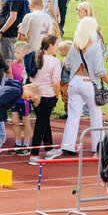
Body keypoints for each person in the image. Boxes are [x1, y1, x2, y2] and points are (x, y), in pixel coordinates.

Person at [49, 17, 108, 158]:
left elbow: (68, 65)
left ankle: (68, 145)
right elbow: (99, 70)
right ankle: (98, 146)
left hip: (74, 82)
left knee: (73, 115)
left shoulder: (75, 45)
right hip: (89, 82)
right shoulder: (95, 46)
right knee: (95, 115)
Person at [0, 78, 40, 170]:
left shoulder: (15, 88)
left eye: (30, 99)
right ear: (29, 89)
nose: (27, 99)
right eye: (29, 96)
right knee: (1, 138)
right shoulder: (16, 91)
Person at [28, 35, 62, 163]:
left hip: (34, 95)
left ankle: (49, 150)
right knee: (41, 124)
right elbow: (56, 82)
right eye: (56, 45)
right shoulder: (54, 61)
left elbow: (30, 76)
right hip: (48, 96)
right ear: (50, 45)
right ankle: (34, 155)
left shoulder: (34, 57)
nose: (58, 47)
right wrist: (57, 96)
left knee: (44, 122)